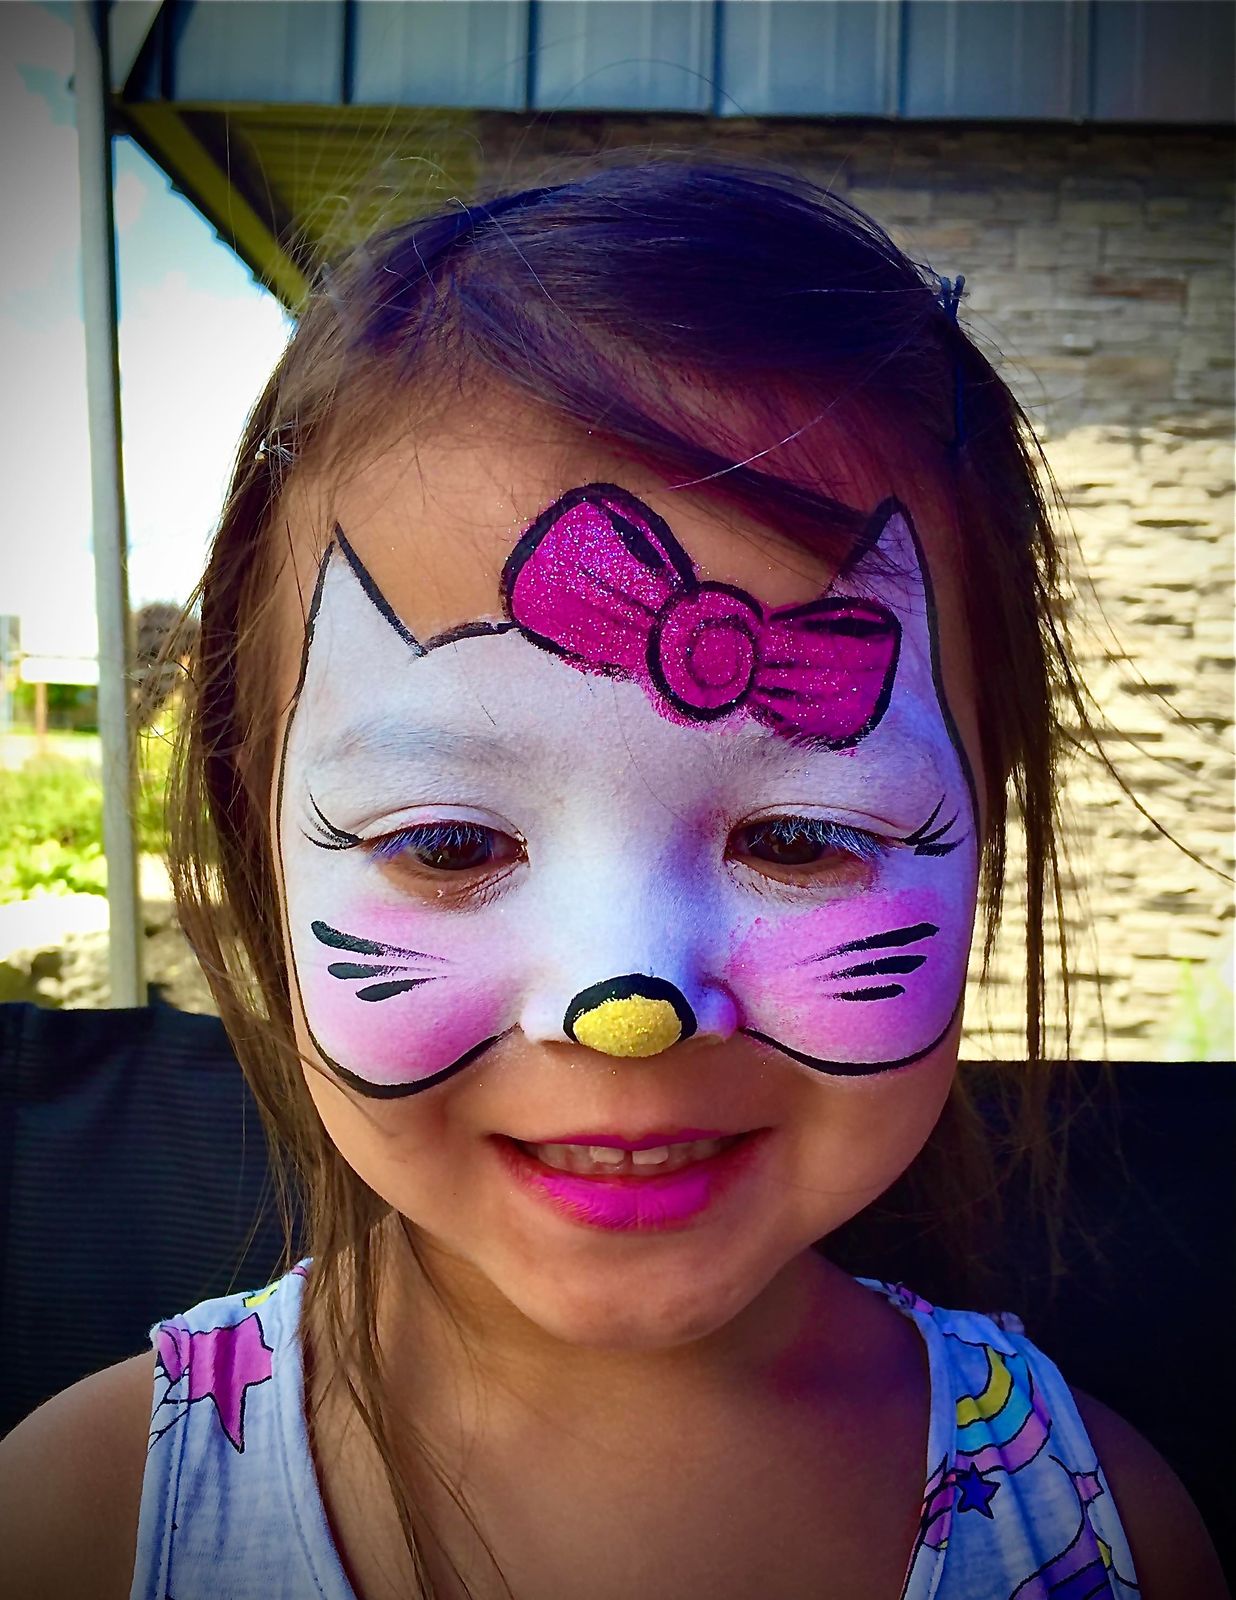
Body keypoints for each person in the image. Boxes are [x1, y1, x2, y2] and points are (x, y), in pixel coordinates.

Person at [0, 160, 1225, 1600]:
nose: (626, 1009)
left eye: (800, 839)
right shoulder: (79, 1518)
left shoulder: (1108, 1531)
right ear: (259, 855)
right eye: (450, 845)